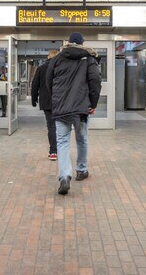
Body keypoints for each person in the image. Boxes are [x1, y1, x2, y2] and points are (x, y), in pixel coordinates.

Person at [46, 32, 101, 195]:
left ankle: (64, 175)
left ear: (68, 43)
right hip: (81, 108)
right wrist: (93, 103)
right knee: (82, 139)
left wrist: (56, 99)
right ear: (82, 43)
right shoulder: (89, 59)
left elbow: (48, 83)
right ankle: (82, 170)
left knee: (62, 141)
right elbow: (95, 82)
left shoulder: (57, 59)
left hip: (61, 108)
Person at [31, 50, 58, 160]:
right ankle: (62, 149)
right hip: (60, 102)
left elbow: (35, 84)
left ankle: (53, 151)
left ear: (48, 57)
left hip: (46, 101)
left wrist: (34, 98)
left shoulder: (41, 68)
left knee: (51, 126)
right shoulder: (61, 68)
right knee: (60, 126)